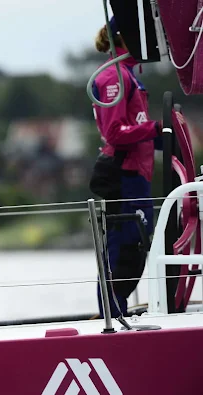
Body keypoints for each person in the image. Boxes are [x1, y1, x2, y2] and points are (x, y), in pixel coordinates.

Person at [89, 17, 163, 317]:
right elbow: (115, 133)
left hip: (137, 175)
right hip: (124, 176)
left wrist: (162, 135)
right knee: (124, 252)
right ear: (126, 37)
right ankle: (112, 318)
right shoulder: (114, 78)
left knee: (135, 249)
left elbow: (138, 127)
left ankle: (117, 315)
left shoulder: (128, 75)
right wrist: (157, 129)